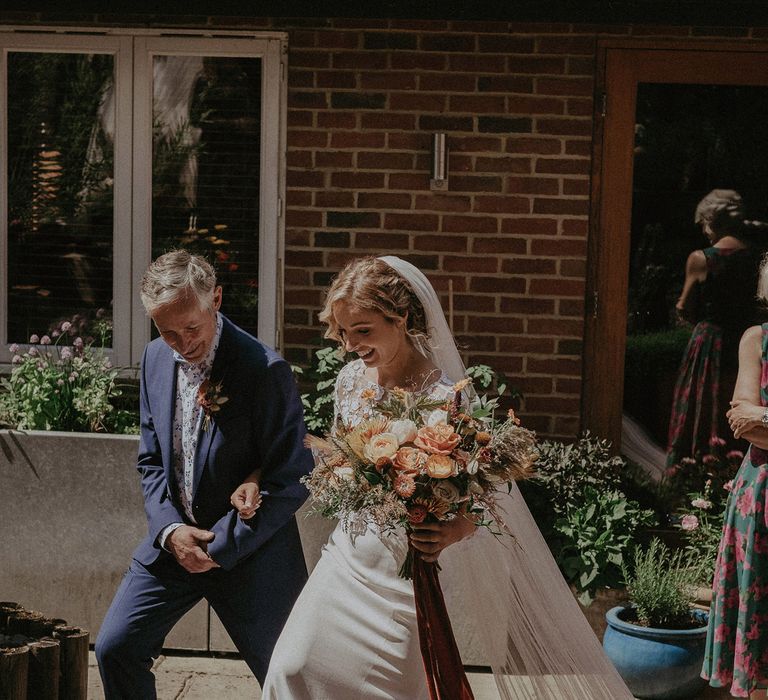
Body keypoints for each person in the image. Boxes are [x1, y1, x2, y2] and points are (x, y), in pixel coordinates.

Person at [234, 255, 633, 699]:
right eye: (343, 332)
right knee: (292, 668)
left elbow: (484, 497)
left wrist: (454, 529)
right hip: (346, 560)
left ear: (401, 317)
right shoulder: (350, 380)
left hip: (404, 577)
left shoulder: (446, 396)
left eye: (363, 330)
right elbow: (339, 457)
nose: (350, 345)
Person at [95, 250, 312, 698]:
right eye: (166, 331)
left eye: (190, 328)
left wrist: (222, 545)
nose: (181, 343)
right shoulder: (155, 358)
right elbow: (152, 460)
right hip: (172, 546)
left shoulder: (264, 370)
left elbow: (291, 474)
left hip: (251, 553)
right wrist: (171, 530)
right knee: (116, 648)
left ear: (215, 298)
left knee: (290, 680)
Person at [702, 254, 768, 699]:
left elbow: (757, 418)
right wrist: (757, 418)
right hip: (760, 497)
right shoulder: (756, 340)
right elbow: (742, 421)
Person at [666, 189, 766, 469]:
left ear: (711, 220)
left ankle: (695, 468)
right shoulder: (757, 255)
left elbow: (685, 306)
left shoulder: (703, 258)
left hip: (712, 342)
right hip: (746, 336)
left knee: (704, 404)